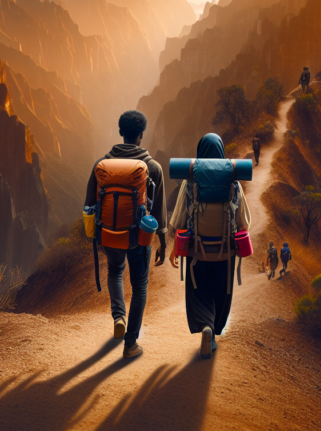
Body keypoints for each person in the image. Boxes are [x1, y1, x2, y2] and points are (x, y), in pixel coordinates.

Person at [84, 110, 167, 359]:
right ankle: (130, 344)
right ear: (142, 135)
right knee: (140, 286)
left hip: (111, 233)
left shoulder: (101, 166)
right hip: (140, 237)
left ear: (121, 132)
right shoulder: (153, 167)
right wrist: (163, 241)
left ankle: (118, 316)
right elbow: (160, 212)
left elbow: (89, 204)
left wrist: (95, 235)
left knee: (115, 271)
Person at [169, 134, 251, 359]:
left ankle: (205, 327)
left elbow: (179, 220)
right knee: (220, 292)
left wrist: (174, 248)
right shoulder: (233, 181)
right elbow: (243, 221)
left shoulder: (190, 181)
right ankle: (213, 331)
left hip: (197, 252)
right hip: (225, 254)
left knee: (199, 291)